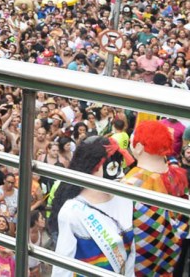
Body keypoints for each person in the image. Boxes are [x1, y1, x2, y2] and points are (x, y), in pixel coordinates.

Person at [49, 136, 135, 277]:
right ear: (95, 166)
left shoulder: (125, 199)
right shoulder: (71, 211)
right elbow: (62, 268)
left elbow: (131, 254)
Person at [123, 119, 189, 276]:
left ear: (139, 147)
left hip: (140, 262)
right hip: (170, 260)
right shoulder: (177, 175)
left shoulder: (132, 183)